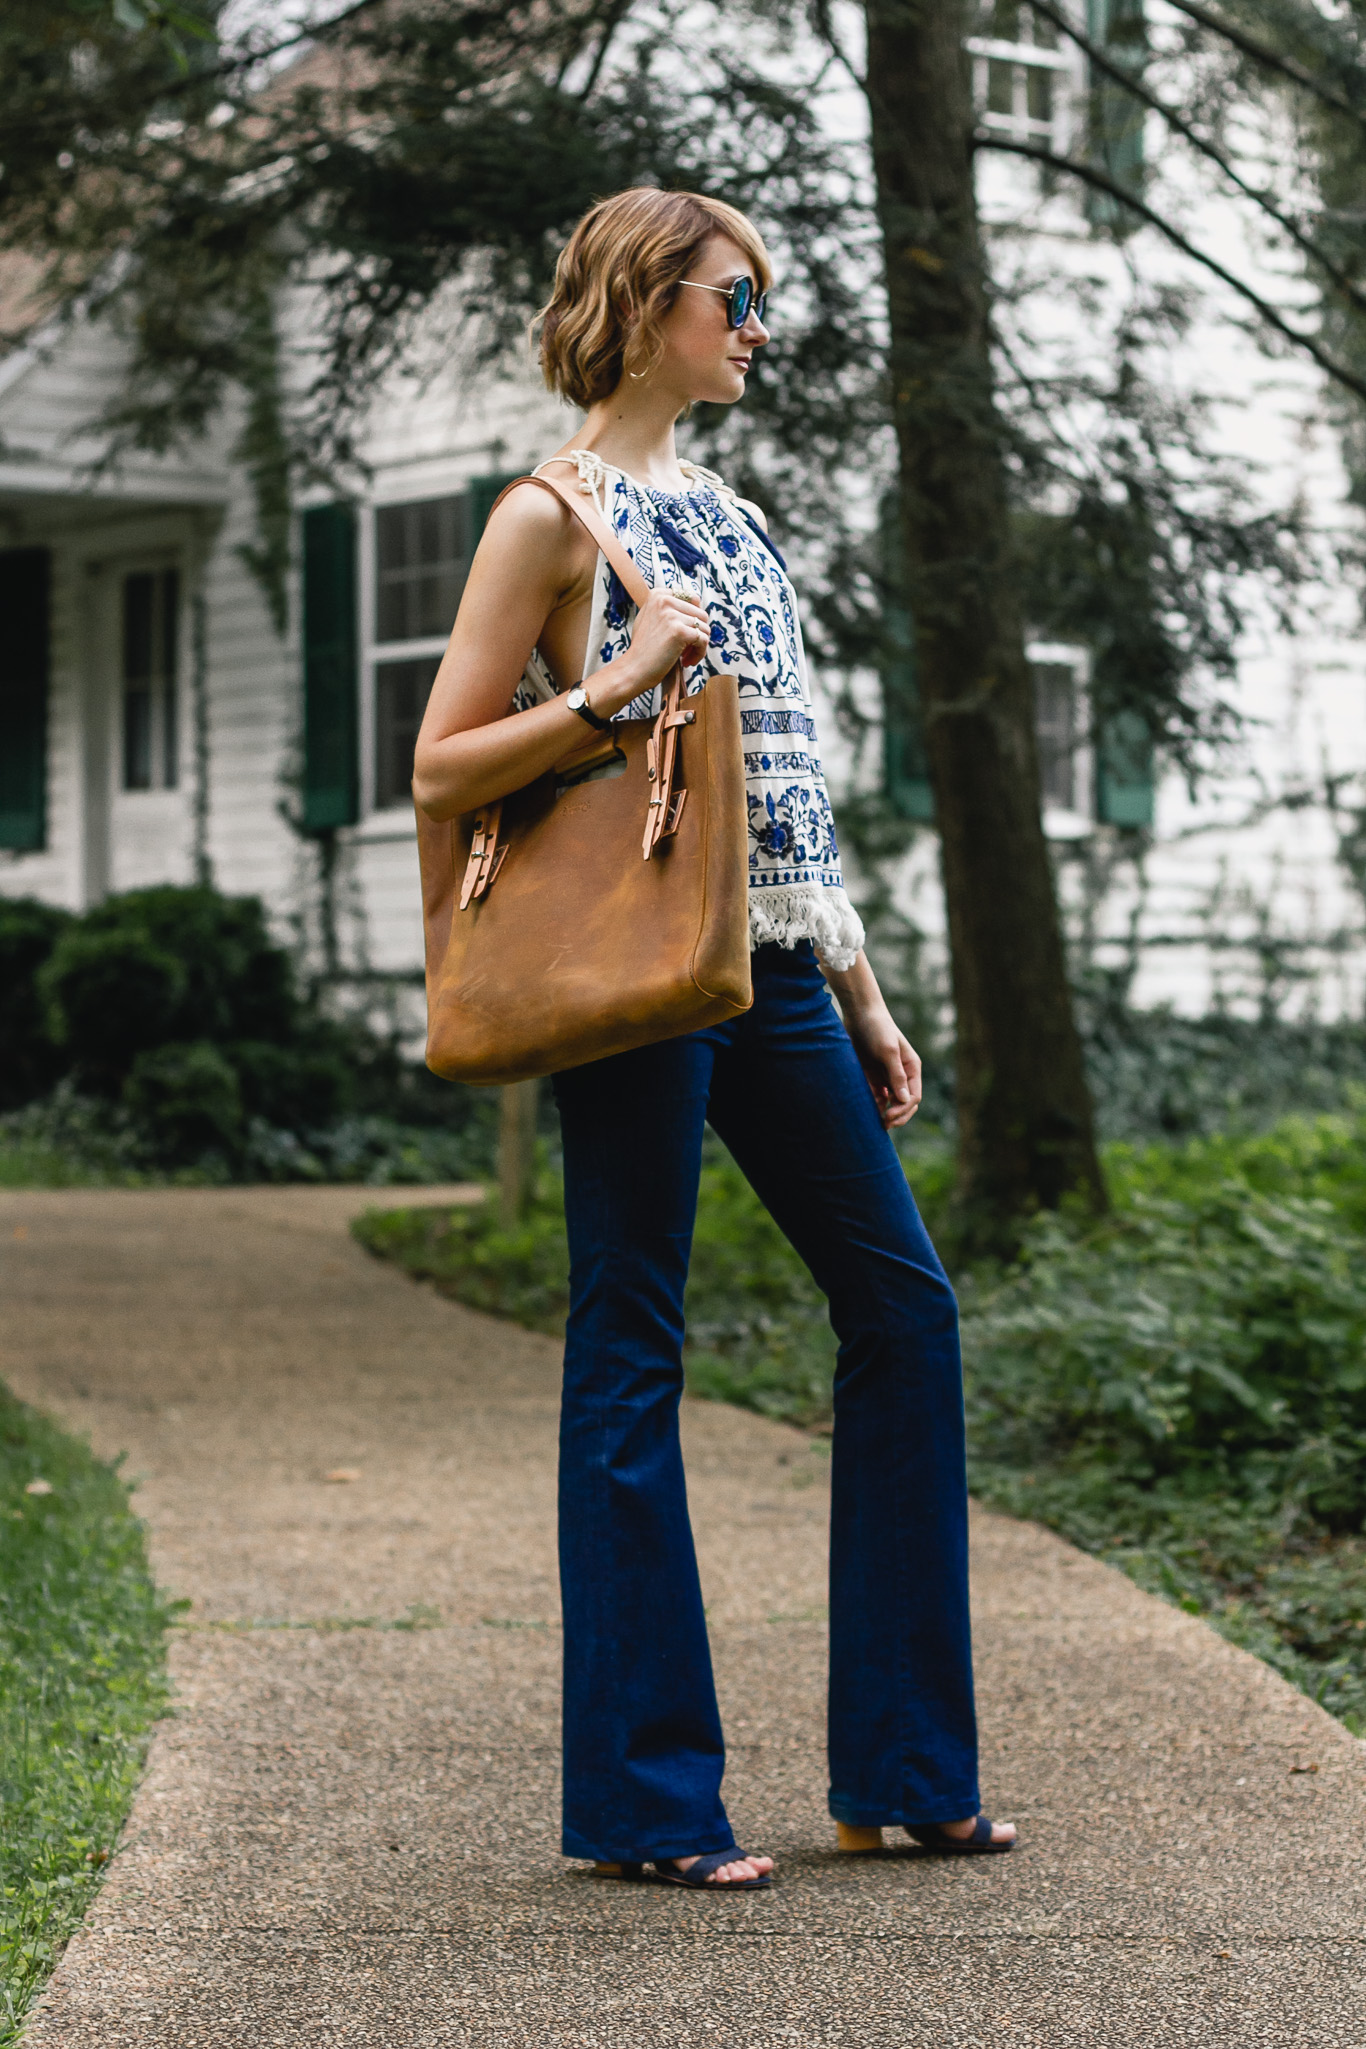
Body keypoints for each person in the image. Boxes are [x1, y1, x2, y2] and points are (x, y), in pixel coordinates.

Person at [413, 187, 1015, 1890]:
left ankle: (902, 1766)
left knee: (903, 1306)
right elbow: (443, 766)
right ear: (643, 303)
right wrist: (607, 689)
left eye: (761, 301)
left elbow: (787, 796)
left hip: (770, 974)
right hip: (636, 983)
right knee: (631, 1344)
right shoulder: (547, 516)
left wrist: (863, 989)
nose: (757, 327)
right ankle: (640, 1801)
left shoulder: (735, 518)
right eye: (733, 297)